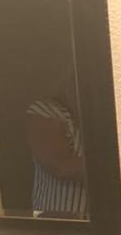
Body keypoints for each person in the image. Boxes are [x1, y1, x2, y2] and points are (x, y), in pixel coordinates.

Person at [25, 74, 88, 217]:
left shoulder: (99, 117)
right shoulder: (47, 110)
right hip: (58, 224)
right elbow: (60, 166)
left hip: (99, 228)